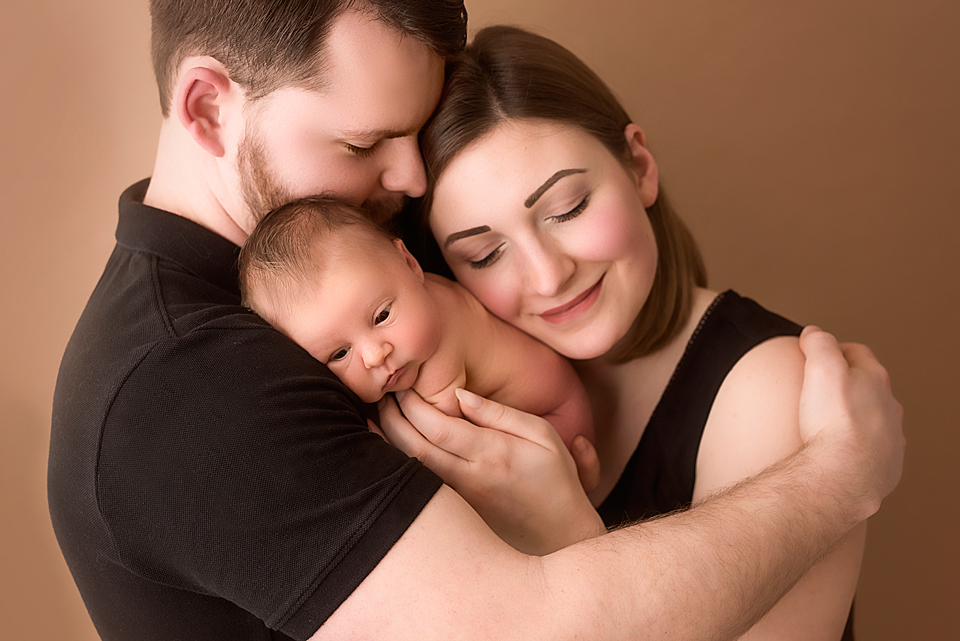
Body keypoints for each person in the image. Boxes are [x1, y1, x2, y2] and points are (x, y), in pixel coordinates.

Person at [47, 3, 904, 641]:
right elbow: (542, 628)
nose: (412, 177)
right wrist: (839, 475)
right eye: (362, 144)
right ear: (205, 108)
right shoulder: (181, 382)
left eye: (417, 134)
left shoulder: (381, 241)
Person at [386, 25, 876, 640]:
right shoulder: (449, 407)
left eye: (567, 209)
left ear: (639, 166)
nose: (547, 275)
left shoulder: (771, 390)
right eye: (485, 254)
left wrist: (565, 537)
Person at [237, 196, 594, 473]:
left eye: (382, 316)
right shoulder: (416, 293)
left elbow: (439, 448)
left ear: (409, 263)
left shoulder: (438, 359)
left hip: (557, 419)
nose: (375, 356)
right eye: (339, 354)